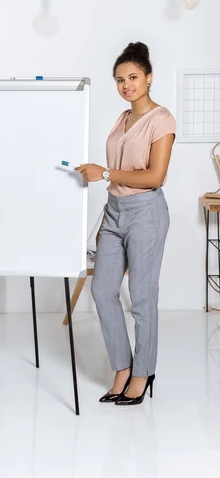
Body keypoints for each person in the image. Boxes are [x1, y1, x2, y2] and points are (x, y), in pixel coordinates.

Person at [76, 42, 175, 406]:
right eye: (120, 79)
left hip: (146, 213)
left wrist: (104, 172)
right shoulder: (123, 119)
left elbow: (155, 176)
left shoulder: (161, 119)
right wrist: (105, 219)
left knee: (143, 298)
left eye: (133, 77)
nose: (126, 85)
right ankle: (122, 366)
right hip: (114, 211)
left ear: (149, 78)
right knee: (103, 290)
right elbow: (118, 179)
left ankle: (142, 372)